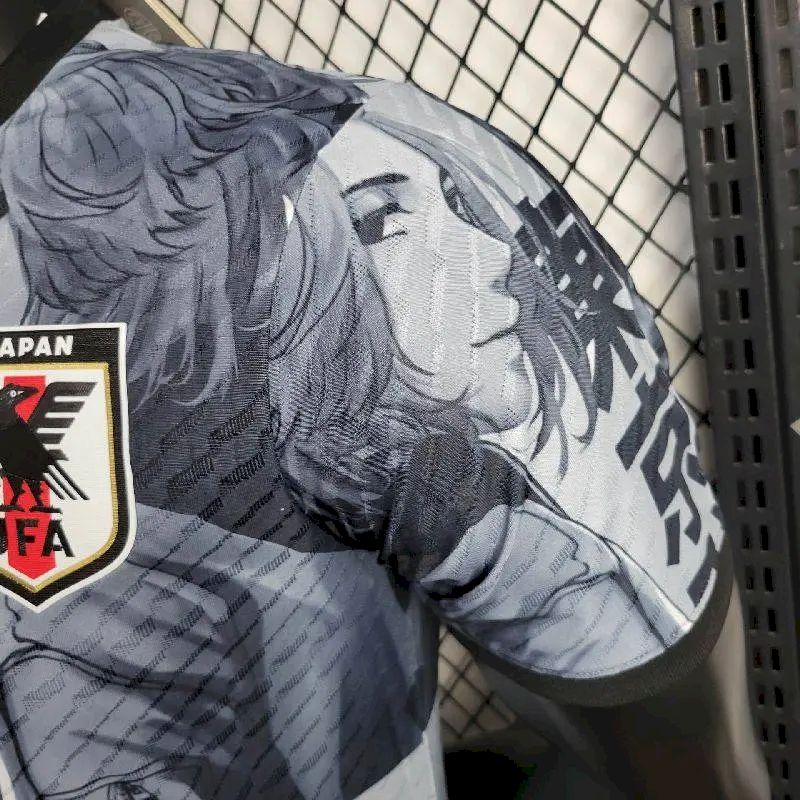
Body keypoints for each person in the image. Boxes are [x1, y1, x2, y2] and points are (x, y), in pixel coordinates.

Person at [0, 21, 767, 800]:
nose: (485, 257)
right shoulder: (306, 192)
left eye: (449, 210)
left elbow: (658, 697)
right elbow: (676, 726)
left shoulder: (314, 174)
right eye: (389, 217)